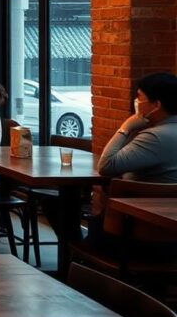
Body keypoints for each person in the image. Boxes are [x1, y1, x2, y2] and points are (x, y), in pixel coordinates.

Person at [44, 72, 177, 243]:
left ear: (156, 105)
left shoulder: (155, 137)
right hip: (168, 234)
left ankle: (76, 258)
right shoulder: (161, 133)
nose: (136, 103)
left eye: (139, 98)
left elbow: (106, 165)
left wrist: (125, 128)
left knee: (57, 206)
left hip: (132, 232)